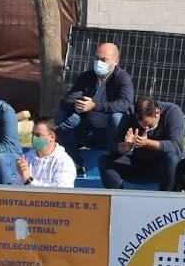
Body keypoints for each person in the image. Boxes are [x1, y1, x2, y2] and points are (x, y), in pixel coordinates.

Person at [56, 42, 134, 175]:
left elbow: (125, 103)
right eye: (97, 58)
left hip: (111, 135)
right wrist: (76, 105)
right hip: (88, 131)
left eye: (104, 60)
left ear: (115, 61)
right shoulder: (86, 77)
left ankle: (115, 163)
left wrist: (95, 105)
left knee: (117, 117)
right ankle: (75, 163)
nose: (99, 62)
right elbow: (67, 100)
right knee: (62, 115)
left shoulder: (122, 78)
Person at [99, 97, 185, 191]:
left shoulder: (172, 112)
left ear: (157, 112)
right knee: (104, 161)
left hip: (164, 168)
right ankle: (118, 198)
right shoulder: (129, 113)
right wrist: (126, 147)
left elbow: (176, 147)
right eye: (141, 124)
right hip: (141, 163)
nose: (145, 127)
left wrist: (147, 143)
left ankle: (166, 200)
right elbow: (114, 148)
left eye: (149, 124)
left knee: (172, 159)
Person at [12, 117, 76, 188]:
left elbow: (60, 192)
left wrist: (28, 180)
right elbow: (15, 188)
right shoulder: (26, 158)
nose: (34, 138)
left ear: (52, 137)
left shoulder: (63, 161)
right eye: (33, 134)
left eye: (38, 135)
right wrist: (22, 174)